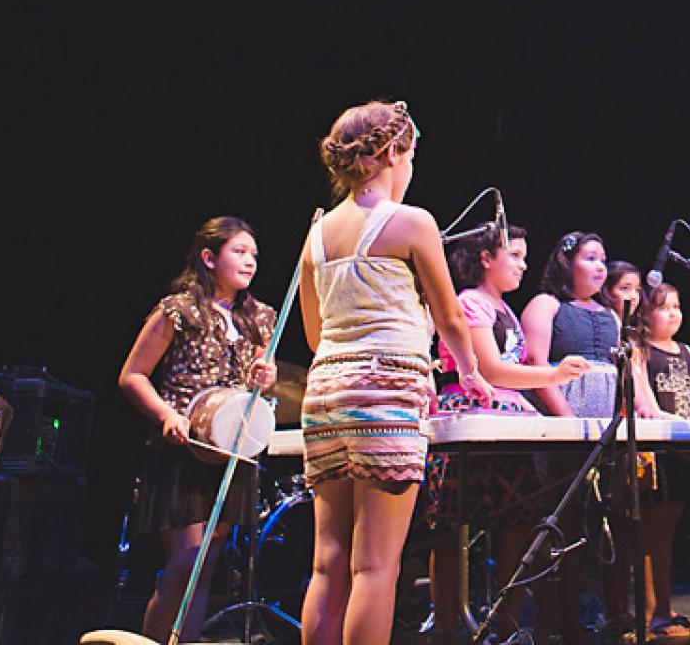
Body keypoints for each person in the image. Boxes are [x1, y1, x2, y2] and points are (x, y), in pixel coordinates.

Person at [298, 99, 493, 645]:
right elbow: (452, 315)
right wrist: (473, 372)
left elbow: (314, 336)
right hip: (384, 388)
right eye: (409, 157)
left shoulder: (316, 235)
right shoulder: (409, 221)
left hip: (326, 389)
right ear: (390, 153)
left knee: (327, 562)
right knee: (376, 565)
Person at [422, 221, 591, 641]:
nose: (522, 264)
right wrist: (552, 375)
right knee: (451, 525)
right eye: (514, 256)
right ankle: (446, 628)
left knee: (519, 522)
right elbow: (490, 369)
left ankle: (507, 625)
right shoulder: (470, 303)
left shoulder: (504, 309)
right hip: (471, 422)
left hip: (509, 425)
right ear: (486, 258)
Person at [118, 216, 278, 643]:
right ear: (209, 258)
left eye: (254, 255)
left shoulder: (260, 317)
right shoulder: (178, 310)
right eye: (239, 252)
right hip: (182, 449)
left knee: (206, 564)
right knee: (185, 563)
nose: (250, 262)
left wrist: (265, 379)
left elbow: (264, 376)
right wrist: (167, 416)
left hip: (229, 453)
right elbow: (133, 375)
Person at [524, 232, 658, 645]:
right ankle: (556, 624)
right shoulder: (547, 305)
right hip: (566, 429)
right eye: (590, 258)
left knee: (610, 525)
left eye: (603, 259)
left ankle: (613, 617)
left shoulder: (609, 314)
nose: (601, 267)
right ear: (567, 264)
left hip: (607, 431)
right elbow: (535, 366)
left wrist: (635, 411)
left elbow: (624, 371)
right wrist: (567, 424)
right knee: (562, 526)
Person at [637, 282, 690, 638]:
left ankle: (664, 606)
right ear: (646, 314)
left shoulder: (686, 351)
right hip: (659, 447)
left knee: (669, 532)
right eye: (664, 307)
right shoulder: (641, 350)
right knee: (654, 533)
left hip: (686, 447)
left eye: (677, 306)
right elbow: (646, 398)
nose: (673, 313)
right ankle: (654, 611)